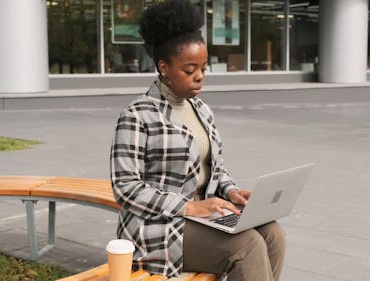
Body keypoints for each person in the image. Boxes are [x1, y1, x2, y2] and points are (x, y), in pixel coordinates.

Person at [109, 0, 286, 280]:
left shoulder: (201, 109)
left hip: (205, 213)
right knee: (247, 245)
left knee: (273, 234)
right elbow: (125, 188)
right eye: (190, 70)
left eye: (203, 67)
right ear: (163, 67)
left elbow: (214, 167)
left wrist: (230, 191)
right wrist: (188, 206)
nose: (200, 77)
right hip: (160, 226)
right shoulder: (137, 115)